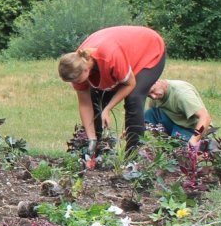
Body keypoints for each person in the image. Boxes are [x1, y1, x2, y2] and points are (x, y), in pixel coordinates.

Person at [57, 25, 166, 155]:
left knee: (134, 97)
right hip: (121, 51)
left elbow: (129, 84)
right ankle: (97, 151)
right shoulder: (76, 62)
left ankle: (133, 155)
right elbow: (85, 105)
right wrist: (91, 138)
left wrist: (108, 109)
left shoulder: (109, 57)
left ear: (86, 69)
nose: (75, 84)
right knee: (96, 99)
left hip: (149, 49)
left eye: (77, 80)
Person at [146, 78, 214, 147]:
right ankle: (165, 145)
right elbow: (151, 116)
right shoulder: (157, 94)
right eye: (149, 96)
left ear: (157, 81)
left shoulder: (182, 94)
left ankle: (202, 145)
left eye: (152, 91)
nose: (153, 97)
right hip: (175, 122)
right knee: (148, 115)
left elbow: (205, 117)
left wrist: (194, 140)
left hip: (192, 128)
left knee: (180, 149)